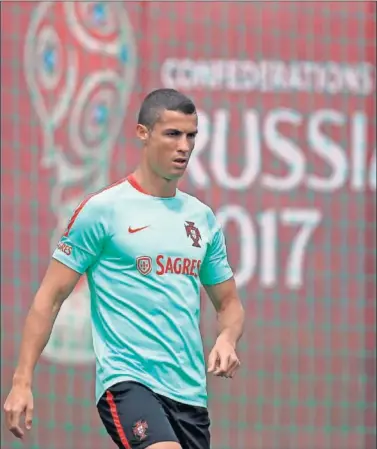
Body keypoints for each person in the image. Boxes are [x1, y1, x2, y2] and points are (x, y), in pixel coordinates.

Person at [3, 88, 245, 449]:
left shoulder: (201, 219)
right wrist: (22, 380)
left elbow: (229, 304)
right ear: (142, 133)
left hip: (191, 395)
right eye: (173, 134)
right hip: (128, 382)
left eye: (191, 135)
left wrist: (226, 338)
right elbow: (50, 297)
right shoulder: (104, 210)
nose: (184, 146)